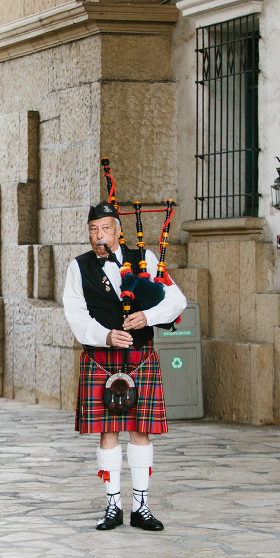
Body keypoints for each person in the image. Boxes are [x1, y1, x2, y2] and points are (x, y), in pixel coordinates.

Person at [62, 202, 187, 531]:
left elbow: (176, 300)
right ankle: (113, 506)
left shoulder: (145, 260)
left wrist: (149, 316)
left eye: (105, 228)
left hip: (140, 355)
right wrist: (105, 336)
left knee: (141, 431)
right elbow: (75, 313)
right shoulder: (79, 267)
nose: (98, 235)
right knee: (108, 431)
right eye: (93, 229)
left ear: (119, 230)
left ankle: (141, 507)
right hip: (101, 358)